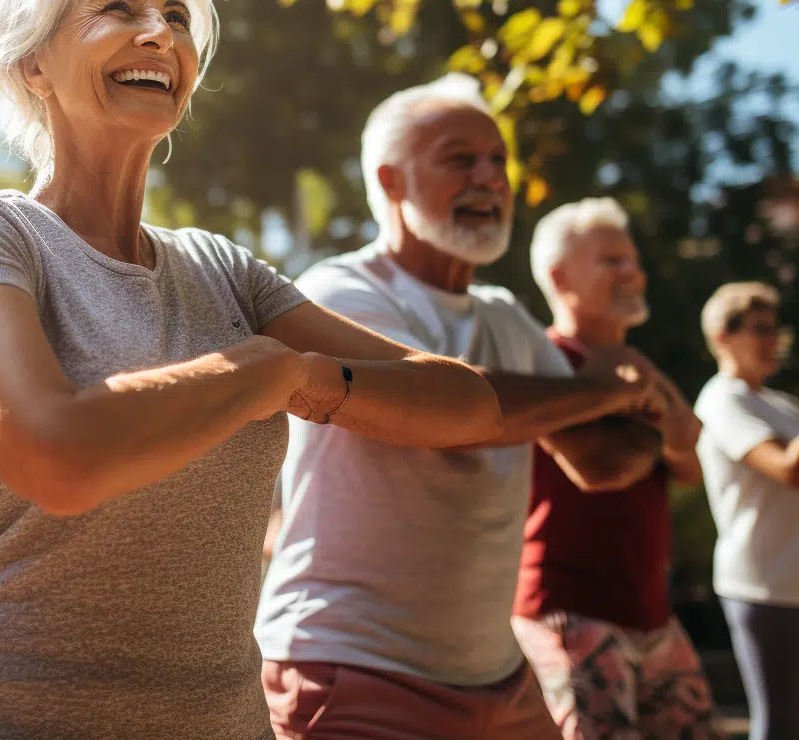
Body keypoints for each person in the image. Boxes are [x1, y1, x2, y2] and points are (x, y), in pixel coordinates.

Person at [0, 0, 502, 740]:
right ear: (32, 61)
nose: (158, 35)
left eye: (176, 19)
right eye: (118, 7)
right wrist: (257, 375)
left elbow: (467, 409)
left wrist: (306, 375)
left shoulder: (224, 270)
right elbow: (54, 455)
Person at [256, 74, 679, 740]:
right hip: (350, 664)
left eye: (498, 162)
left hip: (500, 680)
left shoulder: (507, 317)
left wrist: (607, 411)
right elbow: (446, 419)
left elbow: (605, 459)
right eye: (461, 159)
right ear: (391, 182)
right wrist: (608, 392)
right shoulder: (338, 291)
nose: (490, 178)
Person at [512, 198, 721, 739]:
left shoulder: (640, 366)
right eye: (611, 261)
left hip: (652, 615)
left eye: (632, 259)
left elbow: (690, 463)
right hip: (568, 615)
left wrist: (667, 437)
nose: (634, 271)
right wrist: (665, 431)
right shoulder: (540, 361)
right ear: (559, 276)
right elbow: (605, 468)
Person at [695, 282, 799, 740]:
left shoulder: (782, 405)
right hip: (762, 586)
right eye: (758, 329)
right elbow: (786, 469)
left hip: (792, 582)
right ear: (722, 336)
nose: (771, 340)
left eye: (773, 329)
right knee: (778, 725)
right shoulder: (722, 399)